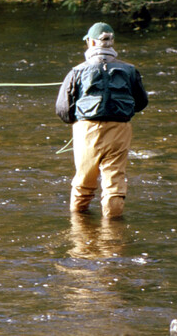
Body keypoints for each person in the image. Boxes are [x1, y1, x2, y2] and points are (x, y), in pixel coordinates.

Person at [55, 22, 148, 218]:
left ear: (91, 42)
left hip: (87, 130)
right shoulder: (130, 70)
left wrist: (78, 121)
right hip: (120, 129)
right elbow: (141, 102)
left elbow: (62, 110)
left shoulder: (76, 71)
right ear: (111, 43)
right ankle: (113, 235)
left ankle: (80, 231)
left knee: (84, 181)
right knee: (114, 181)